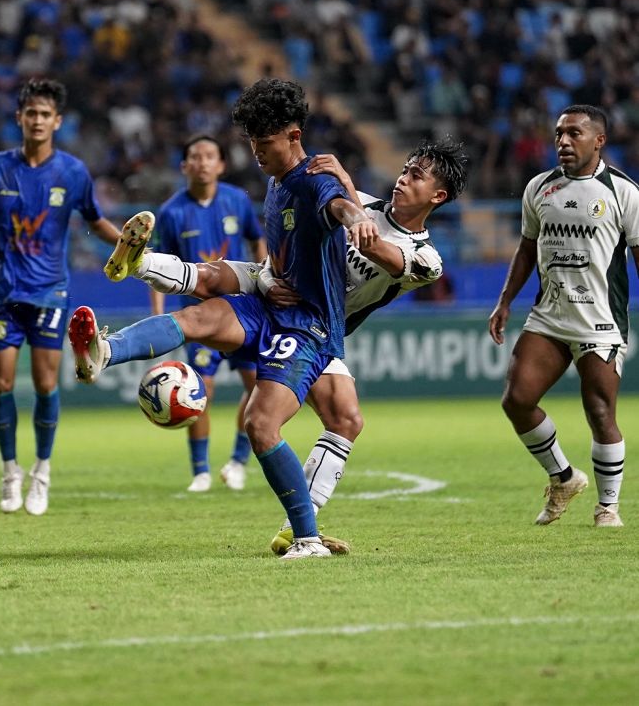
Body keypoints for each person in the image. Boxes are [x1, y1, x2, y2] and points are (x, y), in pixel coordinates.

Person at [84, 136, 468, 552]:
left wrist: (342, 179)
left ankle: (298, 527)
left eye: (416, 176)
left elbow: (374, 245)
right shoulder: (364, 203)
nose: (403, 178)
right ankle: (118, 322)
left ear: (438, 195)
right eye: (405, 168)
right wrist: (277, 268)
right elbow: (313, 225)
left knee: (345, 419)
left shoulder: (427, 257)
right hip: (278, 287)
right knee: (207, 297)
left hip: (316, 324)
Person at [69, 77, 379, 559]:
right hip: (269, 299)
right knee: (200, 318)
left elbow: (336, 206)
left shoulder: (315, 179)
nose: (255, 152)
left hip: (308, 326)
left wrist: (354, 214)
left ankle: (307, 539)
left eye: (264, 142)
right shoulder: (276, 180)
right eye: (251, 141)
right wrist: (271, 275)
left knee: (262, 424)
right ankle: (104, 351)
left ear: (293, 136)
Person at [0, 79, 120, 515]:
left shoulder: (73, 173)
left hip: (50, 294)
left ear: (57, 121)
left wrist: (130, 248)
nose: (38, 120)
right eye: (31, 113)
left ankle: (42, 470)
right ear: (20, 118)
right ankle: (10, 471)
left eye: (46, 114)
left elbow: (95, 220)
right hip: (5, 294)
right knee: (2, 384)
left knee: (46, 385)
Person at [489, 105, 639, 528]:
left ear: (599, 141)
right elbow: (526, 248)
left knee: (599, 410)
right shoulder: (539, 187)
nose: (563, 142)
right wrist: (504, 302)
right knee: (517, 400)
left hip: (601, 320)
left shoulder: (624, 192)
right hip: (550, 316)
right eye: (558, 134)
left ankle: (608, 507)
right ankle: (564, 477)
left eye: (574, 133)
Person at [108, 134, 267, 493]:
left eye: (209, 155)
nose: (202, 162)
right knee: (198, 390)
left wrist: (264, 271)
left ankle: (238, 462)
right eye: (194, 156)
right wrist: (159, 314)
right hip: (199, 317)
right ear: (184, 166)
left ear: (221, 164)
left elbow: (257, 238)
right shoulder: (171, 211)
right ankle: (201, 470)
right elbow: (156, 265)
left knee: (257, 387)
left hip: (246, 313)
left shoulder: (236, 202)